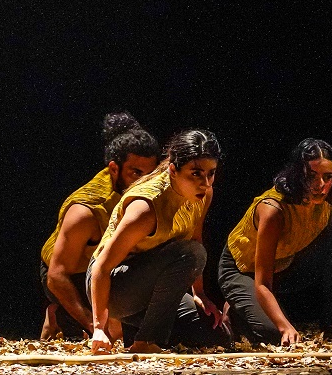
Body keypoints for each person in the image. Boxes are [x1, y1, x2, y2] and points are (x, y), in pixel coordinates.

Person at [87, 129, 229, 354]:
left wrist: (199, 293)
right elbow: (102, 267)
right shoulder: (146, 208)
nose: (205, 183)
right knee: (193, 253)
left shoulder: (203, 194)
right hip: (115, 286)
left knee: (214, 335)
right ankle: (145, 340)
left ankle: (141, 335)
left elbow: (195, 236)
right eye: (196, 173)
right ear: (173, 170)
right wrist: (99, 328)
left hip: (152, 281)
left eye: (211, 173)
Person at [218, 138, 332, 346]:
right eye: (311, 176)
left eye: (327, 177)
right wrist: (284, 326)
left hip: (285, 263)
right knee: (273, 335)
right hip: (244, 269)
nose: (320, 185)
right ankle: (237, 305)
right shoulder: (273, 210)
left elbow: (324, 232)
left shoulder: (331, 198)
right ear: (297, 174)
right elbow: (263, 282)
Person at [39, 112, 160, 340]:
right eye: (136, 173)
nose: (145, 181)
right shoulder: (87, 209)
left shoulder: (150, 191)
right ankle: (58, 313)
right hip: (71, 273)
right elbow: (56, 276)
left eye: (150, 174)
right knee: (111, 334)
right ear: (114, 169)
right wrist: (98, 327)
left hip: (112, 266)